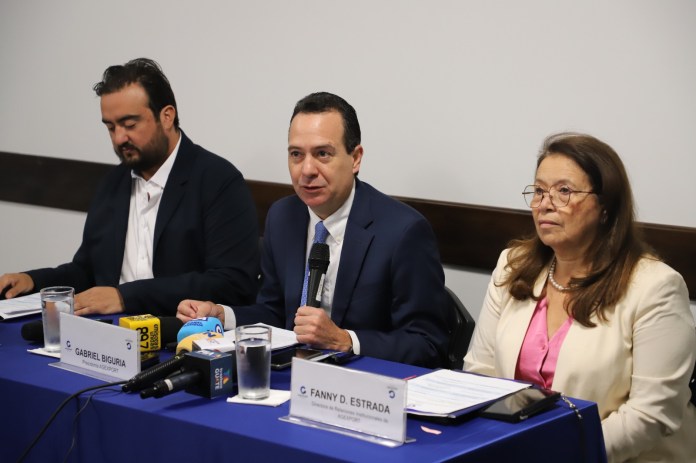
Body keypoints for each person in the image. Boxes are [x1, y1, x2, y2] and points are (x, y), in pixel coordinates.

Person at [463, 133, 696, 462]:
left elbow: (651, 415)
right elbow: (480, 372)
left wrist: (558, 452)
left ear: (605, 207)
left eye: (563, 191)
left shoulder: (655, 287)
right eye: (539, 191)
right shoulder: (512, 265)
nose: (545, 203)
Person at [178, 92, 450, 367]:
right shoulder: (283, 217)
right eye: (296, 154)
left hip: (367, 390)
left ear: (355, 158)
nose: (307, 169)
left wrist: (344, 340)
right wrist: (223, 316)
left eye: (322, 154)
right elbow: (275, 313)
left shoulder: (403, 232)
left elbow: (427, 344)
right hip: (294, 378)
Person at [0, 58, 259, 316]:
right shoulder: (113, 184)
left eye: (130, 125)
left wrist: (126, 297)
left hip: (179, 335)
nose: (119, 138)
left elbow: (232, 283)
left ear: (166, 116)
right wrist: (33, 281)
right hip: (110, 334)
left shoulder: (218, 181)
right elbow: (88, 271)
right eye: (110, 127)